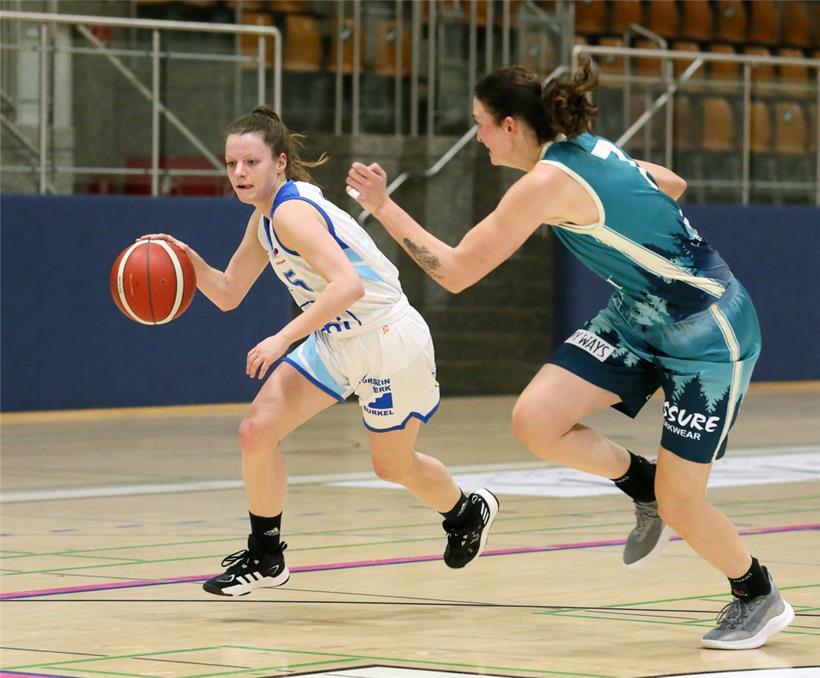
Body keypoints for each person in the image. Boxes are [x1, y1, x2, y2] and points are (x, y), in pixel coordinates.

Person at [345, 63, 794, 650]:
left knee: (684, 504)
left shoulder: (545, 183)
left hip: (708, 332)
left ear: (510, 126)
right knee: (537, 420)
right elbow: (673, 183)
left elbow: (453, 272)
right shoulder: (587, 149)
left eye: (482, 125)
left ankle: (756, 593)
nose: (477, 137)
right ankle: (641, 483)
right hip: (640, 313)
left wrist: (381, 205)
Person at [141, 105, 499, 597]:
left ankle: (465, 510)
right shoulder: (263, 221)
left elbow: (347, 285)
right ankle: (266, 556)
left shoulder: (290, 212)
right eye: (231, 164)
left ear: (280, 163)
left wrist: (282, 337)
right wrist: (184, 257)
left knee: (391, 466)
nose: (240, 174)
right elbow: (227, 293)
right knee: (256, 431)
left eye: (252, 163)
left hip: (386, 337)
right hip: (336, 338)